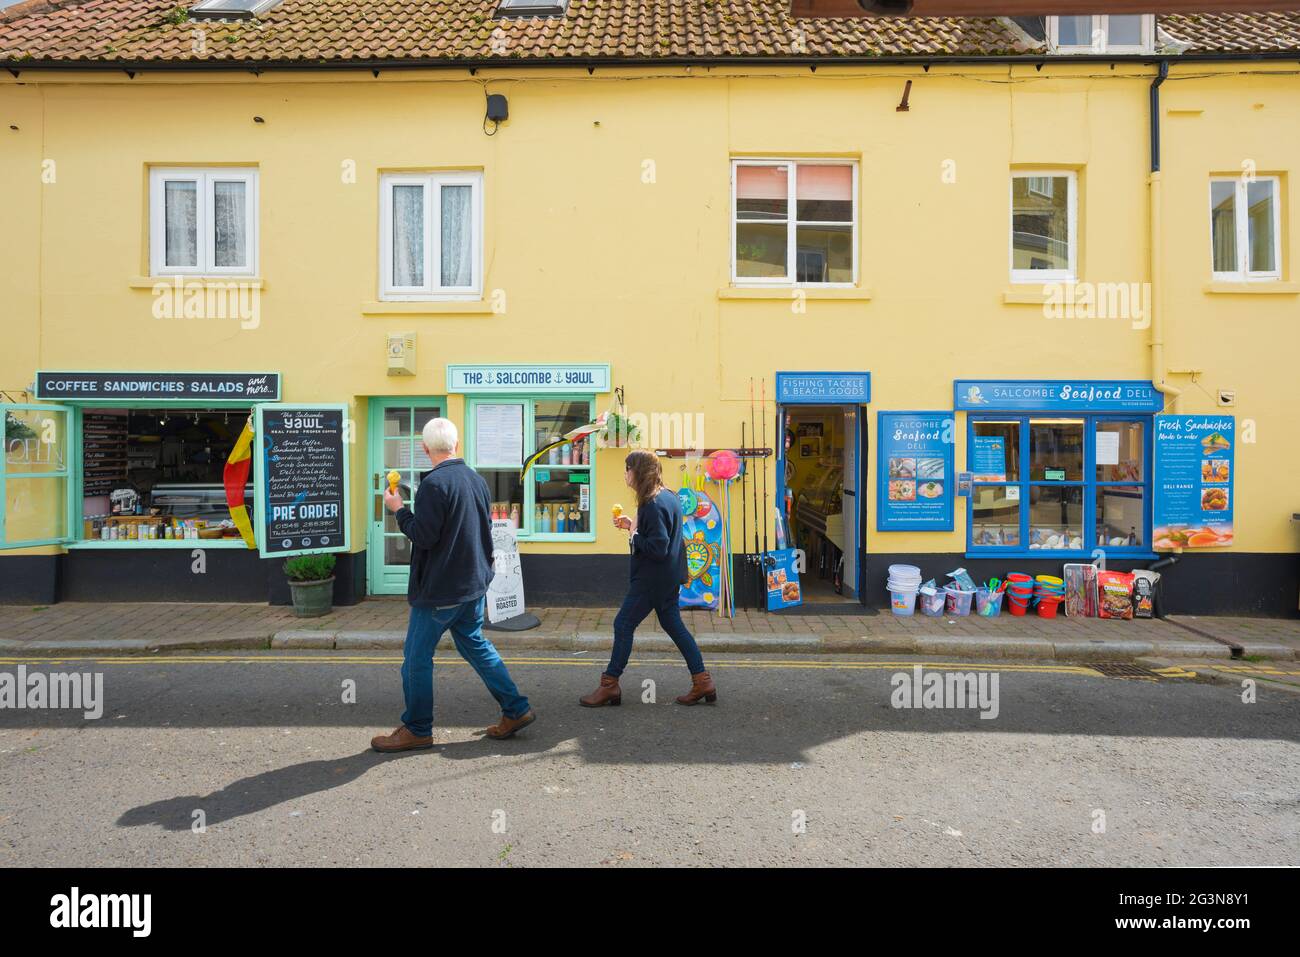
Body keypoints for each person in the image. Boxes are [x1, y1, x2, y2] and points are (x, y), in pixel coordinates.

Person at [370, 417, 536, 752]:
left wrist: (398, 509)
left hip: (441, 590)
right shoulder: (475, 479)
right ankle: (516, 708)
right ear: (457, 445)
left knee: (416, 658)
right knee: (475, 645)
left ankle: (417, 728)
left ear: (425, 449)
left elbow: (424, 535)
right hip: (473, 584)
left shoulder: (433, 484)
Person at [580, 450, 716, 708]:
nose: (625, 474)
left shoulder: (651, 503)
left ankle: (610, 685)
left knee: (622, 624)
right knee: (673, 625)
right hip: (669, 576)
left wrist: (634, 535)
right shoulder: (669, 496)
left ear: (638, 472)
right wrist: (634, 525)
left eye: (627, 468)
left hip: (651, 578)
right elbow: (662, 534)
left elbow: (658, 547)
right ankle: (702, 680)